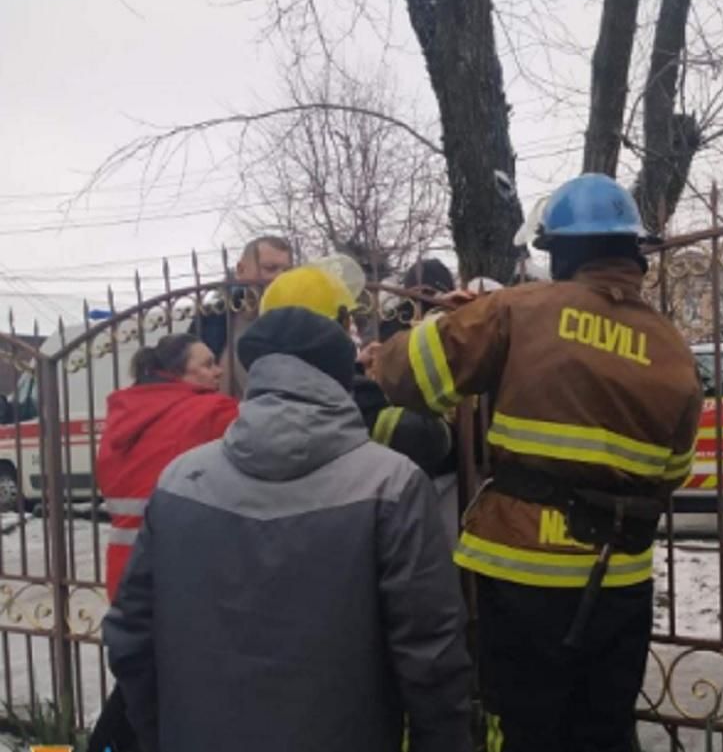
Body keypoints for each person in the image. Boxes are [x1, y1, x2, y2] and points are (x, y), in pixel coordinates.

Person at [363, 173, 702, 752]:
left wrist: (430, 327)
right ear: (632, 252)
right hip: (620, 576)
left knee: (523, 730)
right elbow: (674, 473)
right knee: (603, 733)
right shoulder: (673, 349)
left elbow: (410, 374)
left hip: (523, 570)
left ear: (561, 250)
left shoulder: (518, 310)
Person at [102, 304, 473, 752]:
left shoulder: (180, 480)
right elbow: (431, 656)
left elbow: (131, 636)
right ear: (342, 378)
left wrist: (160, 734)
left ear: (254, 372)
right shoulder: (391, 484)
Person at [89, 334, 240, 752]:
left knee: (140, 678)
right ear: (177, 373)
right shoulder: (211, 411)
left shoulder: (122, 415)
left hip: (125, 566)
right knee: (169, 691)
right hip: (180, 571)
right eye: (207, 364)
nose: (218, 371)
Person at [258, 256, 453, 477]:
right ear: (337, 329)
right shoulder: (359, 405)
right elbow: (434, 440)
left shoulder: (257, 408)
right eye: (347, 319)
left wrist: (355, 368)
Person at [191, 235, 294, 394]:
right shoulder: (211, 320)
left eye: (286, 271)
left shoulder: (298, 321)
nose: (280, 277)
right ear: (240, 270)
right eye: (270, 268)